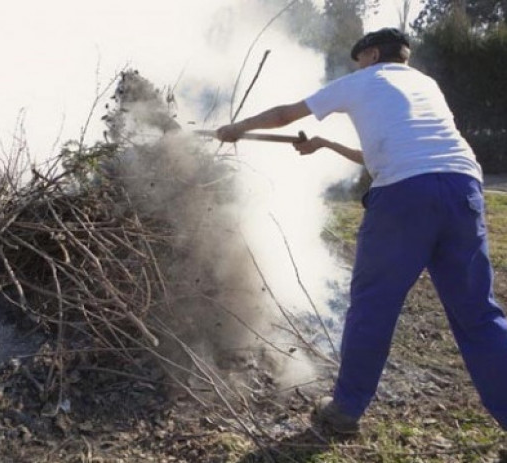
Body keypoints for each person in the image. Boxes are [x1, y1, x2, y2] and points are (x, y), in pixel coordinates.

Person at [216, 27, 507, 435]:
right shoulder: (426, 85)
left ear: (370, 55)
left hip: (405, 198)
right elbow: (389, 152)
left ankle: (346, 410)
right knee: (478, 314)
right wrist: (326, 145)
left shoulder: (363, 80)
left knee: (373, 307)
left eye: (359, 60)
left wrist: (237, 128)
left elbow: (286, 114)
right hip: (463, 190)